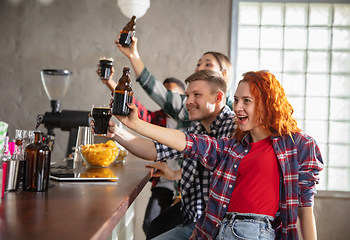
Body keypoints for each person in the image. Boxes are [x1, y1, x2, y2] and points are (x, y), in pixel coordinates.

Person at [112, 70, 324, 240]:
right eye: (237, 100)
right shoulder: (233, 147)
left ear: (267, 103)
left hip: (255, 231)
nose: (238, 107)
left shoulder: (298, 146)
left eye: (247, 101)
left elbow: (305, 210)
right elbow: (188, 143)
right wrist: (135, 124)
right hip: (217, 228)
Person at [99, 70, 236, 239]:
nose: (189, 102)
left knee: (154, 225)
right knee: (154, 226)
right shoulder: (196, 128)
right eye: (187, 95)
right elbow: (155, 150)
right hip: (196, 220)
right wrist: (116, 133)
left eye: (197, 95)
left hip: (222, 226)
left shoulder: (233, 127)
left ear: (219, 98)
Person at [96, 66, 185, 236]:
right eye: (163, 95)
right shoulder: (158, 118)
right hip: (163, 182)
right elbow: (133, 106)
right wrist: (109, 82)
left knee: (168, 228)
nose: (166, 101)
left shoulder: (190, 126)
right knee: (149, 224)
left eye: (171, 96)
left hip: (182, 186)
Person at [115, 35, 234, 132]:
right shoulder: (188, 112)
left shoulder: (234, 118)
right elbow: (156, 90)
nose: (199, 68)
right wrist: (133, 56)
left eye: (208, 65)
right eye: (198, 64)